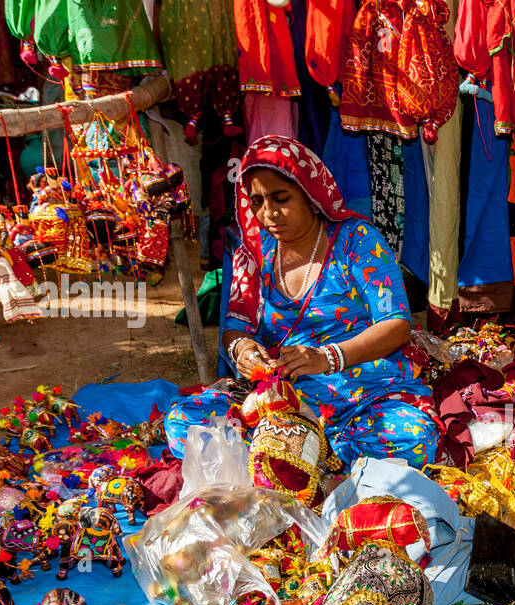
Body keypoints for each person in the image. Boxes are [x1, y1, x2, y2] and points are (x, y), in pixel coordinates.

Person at [164, 135, 439, 469]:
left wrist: (328, 357)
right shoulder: (252, 253)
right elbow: (235, 328)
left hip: (359, 385)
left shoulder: (355, 240)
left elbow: (396, 326)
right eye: (257, 202)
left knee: (412, 437)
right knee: (183, 420)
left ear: (310, 195)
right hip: (284, 394)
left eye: (281, 198)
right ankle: (304, 458)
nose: (269, 214)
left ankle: (290, 458)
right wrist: (245, 351)